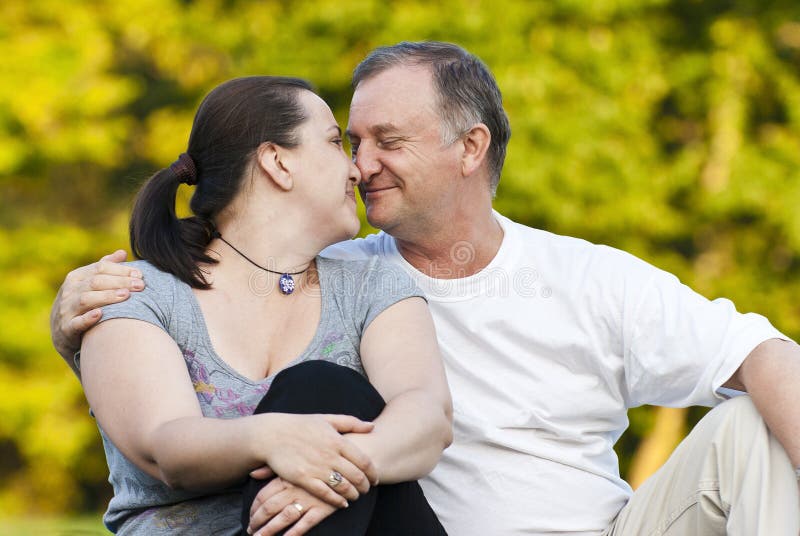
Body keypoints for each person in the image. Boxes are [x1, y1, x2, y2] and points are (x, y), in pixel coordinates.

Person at [52, 42, 800, 535]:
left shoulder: (587, 277)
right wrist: (74, 331)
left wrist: (338, 464)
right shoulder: (352, 273)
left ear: (470, 147)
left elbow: (765, 353)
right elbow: (176, 390)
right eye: (349, 141)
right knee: (320, 388)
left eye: (388, 141)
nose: (361, 164)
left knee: (746, 429)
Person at [66, 75, 452, 535]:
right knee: (320, 389)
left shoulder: (371, 287)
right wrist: (276, 439)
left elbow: (427, 416)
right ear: (276, 162)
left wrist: (330, 471)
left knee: (325, 388)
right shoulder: (136, 294)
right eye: (334, 143)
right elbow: (165, 447)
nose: (358, 170)